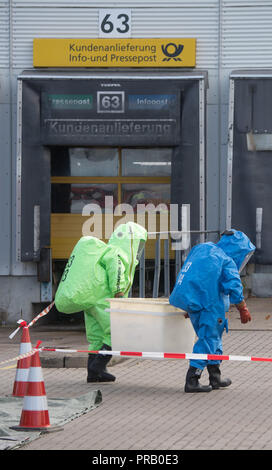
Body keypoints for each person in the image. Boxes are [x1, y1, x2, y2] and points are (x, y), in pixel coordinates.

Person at [169, 229, 255, 393]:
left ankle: (215, 377)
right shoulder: (226, 260)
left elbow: (190, 273)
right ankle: (192, 379)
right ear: (238, 250)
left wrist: (190, 304)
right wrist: (243, 309)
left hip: (196, 302)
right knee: (208, 340)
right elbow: (234, 287)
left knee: (212, 339)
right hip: (210, 305)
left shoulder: (202, 248)